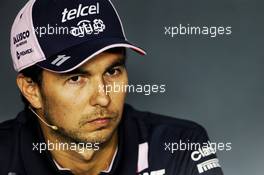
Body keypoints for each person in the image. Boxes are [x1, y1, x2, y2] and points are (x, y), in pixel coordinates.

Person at [0, 0, 224, 174]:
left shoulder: (178, 146)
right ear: (31, 89)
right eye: (76, 78)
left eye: (112, 71)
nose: (103, 98)